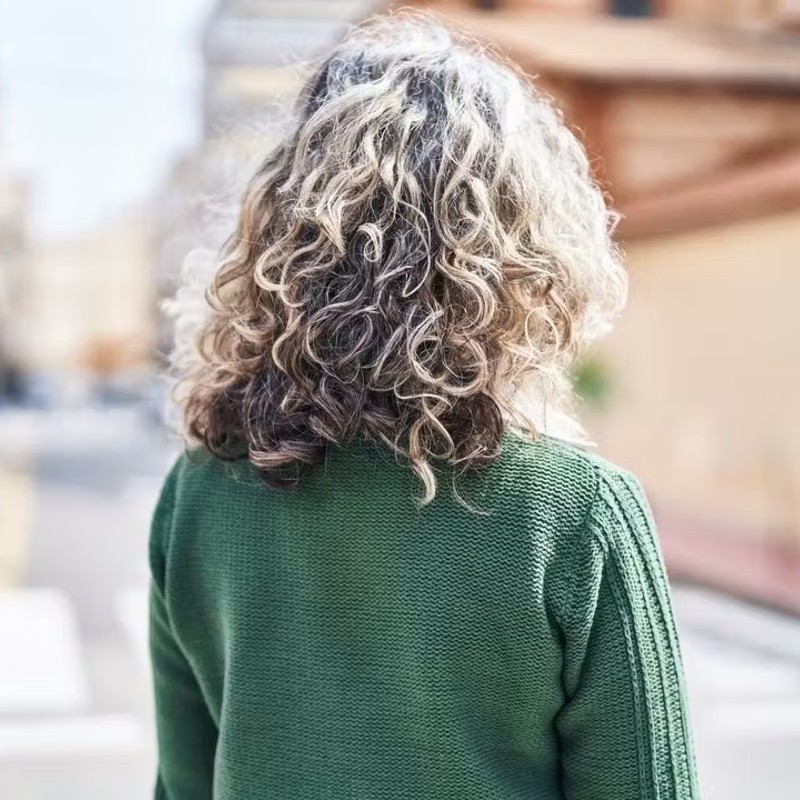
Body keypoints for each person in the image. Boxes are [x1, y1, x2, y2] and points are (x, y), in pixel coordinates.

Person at [149, 13, 699, 800]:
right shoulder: (578, 516)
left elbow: (183, 787)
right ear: (522, 250)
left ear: (278, 237)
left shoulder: (198, 499)